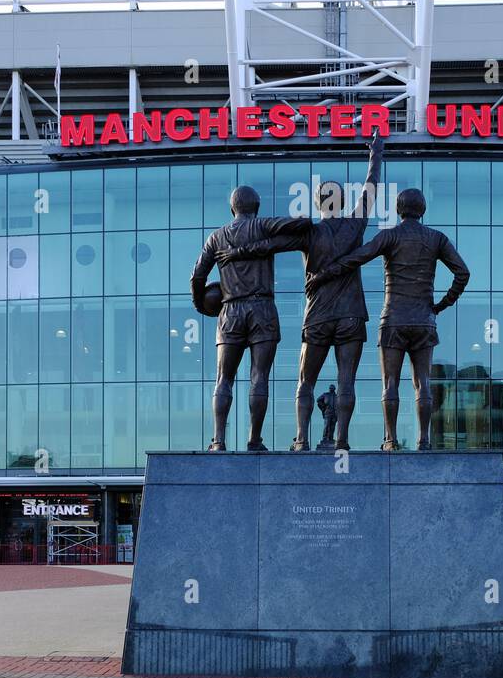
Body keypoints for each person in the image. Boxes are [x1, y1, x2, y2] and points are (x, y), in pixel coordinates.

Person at [217, 135, 383, 450]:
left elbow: (270, 245)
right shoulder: (356, 224)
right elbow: (371, 187)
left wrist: (237, 253)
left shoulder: (310, 232)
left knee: (305, 382)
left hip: (318, 316)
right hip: (351, 315)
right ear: (345, 202)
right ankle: (342, 441)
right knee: (346, 380)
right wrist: (376, 153)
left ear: (319, 204)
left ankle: (303, 440)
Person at [307, 188, 470, 451]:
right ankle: (424, 441)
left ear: (398, 209)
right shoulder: (436, 238)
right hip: (423, 319)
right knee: (423, 383)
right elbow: (463, 272)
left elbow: (357, 257)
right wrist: (441, 304)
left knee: (390, 383)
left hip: (393, 318)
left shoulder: (390, 236)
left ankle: (391, 440)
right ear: (423, 210)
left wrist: (325, 273)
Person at [191, 190, 311, 451]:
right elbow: (304, 223)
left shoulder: (216, 237)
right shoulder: (263, 225)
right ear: (256, 207)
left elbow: (197, 276)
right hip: (262, 308)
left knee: (224, 378)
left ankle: (218, 441)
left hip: (230, 310)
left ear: (232, 209)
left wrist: (201, 305)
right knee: (260, 376)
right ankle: (254, 440)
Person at [317, 385, 339, 449]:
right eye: (330, 388)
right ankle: (325, 438)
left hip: (334, 413)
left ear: (334, 389)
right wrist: (323, 407)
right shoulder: (325, 395)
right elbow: (318, 400)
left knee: (332, 426)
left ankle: (331, 438)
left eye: (332, 388)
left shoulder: (337, 396)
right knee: (326, 425)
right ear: (329, 389)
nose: (331, 389)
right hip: (328, 412)